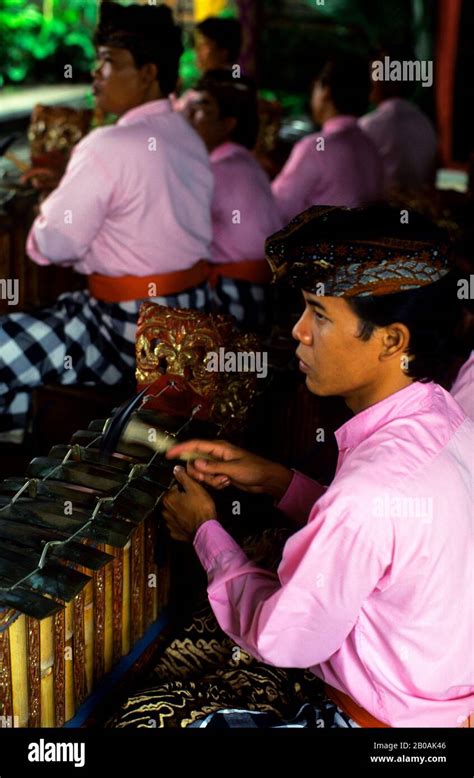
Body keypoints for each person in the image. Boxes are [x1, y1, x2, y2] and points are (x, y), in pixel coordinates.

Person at [110, 205, 473, 728]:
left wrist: (204, 531)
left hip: (382, 725)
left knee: (139, 719)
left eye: (319, 315)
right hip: (445, 706)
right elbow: (388, 532)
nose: (299, 331)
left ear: (392, 340)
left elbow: (285, 639)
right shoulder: (447, 417)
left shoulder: (368, 492)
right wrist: (278, 480)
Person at [0, 2, 213, 441]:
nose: (96, 72)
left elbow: (54, 245)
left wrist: (52, 202)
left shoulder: (107, 145)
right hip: (188, 325)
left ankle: (27, 452)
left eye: (109, 62)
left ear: (149, 73)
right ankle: (26, 447)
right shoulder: (188, 137)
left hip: (121, 331)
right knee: (36, 331)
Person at [188, 69, 282, 330]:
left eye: (202, 110)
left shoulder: (218, 168)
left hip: (236, 294)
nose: (191, 119)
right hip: (262, 290)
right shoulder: (244, 162)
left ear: (228, 123)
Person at [271, 57, 384, 223]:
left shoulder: (314, 148)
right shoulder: (370, 146)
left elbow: (276, 210)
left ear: (326, 91)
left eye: (314, 87)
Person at [359, 46, 438, 194]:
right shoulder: (426, 124)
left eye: (374, 73)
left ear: (392, 81)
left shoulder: (367, 126)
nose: (370, 81)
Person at [172, 17, 242, 113]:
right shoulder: (238, 80)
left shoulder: (206, 94)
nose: (197, 50)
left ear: (223, 52)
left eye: (204, 44)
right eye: (197, 44)